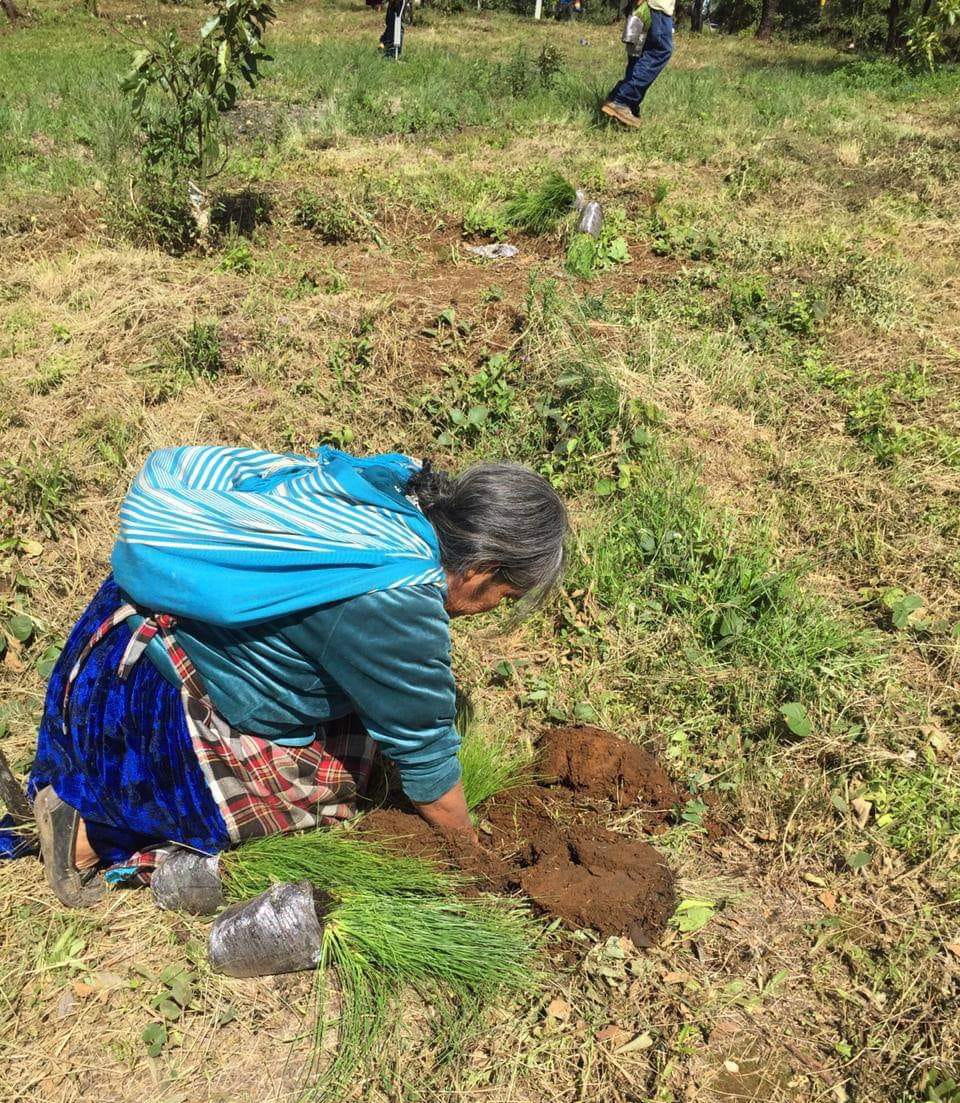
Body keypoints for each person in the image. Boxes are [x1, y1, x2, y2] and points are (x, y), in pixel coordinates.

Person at [27, 446, 568, 908]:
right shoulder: (396, 598)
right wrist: (469, 854)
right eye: (505, 598)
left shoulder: (399, 491)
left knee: (356, 728)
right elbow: (425, 754)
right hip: (156, 703)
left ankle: (78, 790)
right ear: (482, 571)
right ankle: (86, 837)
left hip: (113, 639)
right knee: (325, 796)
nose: (493, 610)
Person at [602, 0, 674, 129]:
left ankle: (624, 104)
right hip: (655, 7)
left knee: (638, 55)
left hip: (642, 7)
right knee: (660, 51)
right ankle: (622, 100)